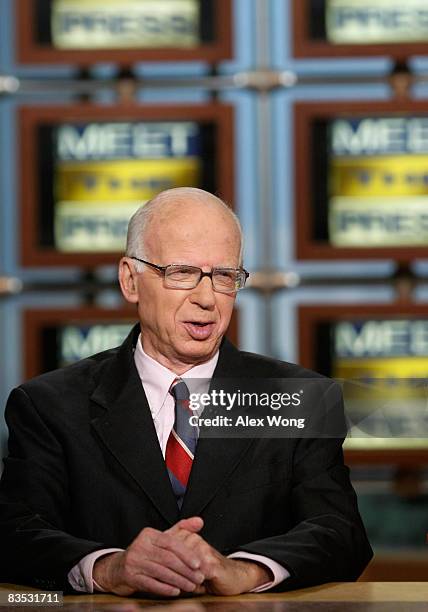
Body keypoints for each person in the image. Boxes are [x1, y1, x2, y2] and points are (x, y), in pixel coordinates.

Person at [0, 187, 372, 596]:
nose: (206, 298)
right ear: (130, 280)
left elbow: (341, 533)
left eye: (225, 277)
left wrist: (243, 572)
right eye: (181, 272)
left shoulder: (298, 397)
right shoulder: (50, 405)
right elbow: (15, 535)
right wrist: (110, 568)